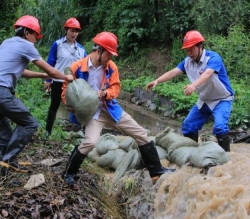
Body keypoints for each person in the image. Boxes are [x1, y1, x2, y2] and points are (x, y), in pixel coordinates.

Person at [61, 31, 174, 186]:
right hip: (92, 114)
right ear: (99, 50)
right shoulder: (77, 67)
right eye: (109, 54)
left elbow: (116, 88)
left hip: (109, 109)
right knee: (90, 142)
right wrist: (69, 103)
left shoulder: (111, 67)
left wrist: (105, 93)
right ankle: (69, 174)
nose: (111, 58)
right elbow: (66, 89)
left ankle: (156, 171)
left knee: (140, 133)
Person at [0, 15, 74, 188]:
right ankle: (8, 160)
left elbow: (22, 72)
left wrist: (44, 76)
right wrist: (65, 77)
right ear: (26, 32)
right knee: (30, 123)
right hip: (1, 93)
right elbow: (52, 72)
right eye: (35, 36)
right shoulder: (25, 45)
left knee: (5, 137)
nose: (35, 41)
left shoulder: (6, 43)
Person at [145, 30, 234, 152]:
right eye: (187, 50)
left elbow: (208, 73)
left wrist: (193, 85)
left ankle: (226, 159)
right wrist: (157, 81)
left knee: (220, 127)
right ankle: (193, 153)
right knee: (188, 126)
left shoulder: (213, 58)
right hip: (205, 100)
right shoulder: (187, 62)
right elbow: (173, 72)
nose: (189, 53)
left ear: (200, 46)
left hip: (222, 99)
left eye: (191, 49)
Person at [43, 17, 87, 140]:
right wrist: (48, 79)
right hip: (58, 81)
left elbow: (84, 67)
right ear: (66, 30)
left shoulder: (81, 49)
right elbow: (50, 62)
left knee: (77, 106)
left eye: (76, 31)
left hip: (73, 83)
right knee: (54, 105)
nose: (74, 34)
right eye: (72, 31)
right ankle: (48, 131)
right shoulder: (57, 45)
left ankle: (81, 130)